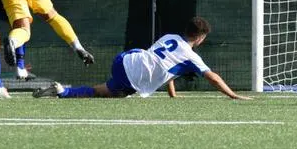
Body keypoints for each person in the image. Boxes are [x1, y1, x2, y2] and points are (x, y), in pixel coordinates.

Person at [33, 16, 251, 100]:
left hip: (124, 59)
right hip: (132, 77)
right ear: (201, 38)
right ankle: (64, 91)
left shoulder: (170, 37)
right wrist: (233, 95)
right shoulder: (191, 56)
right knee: (113, 94)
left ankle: (62, 91)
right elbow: (212, 77)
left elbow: (167, 69)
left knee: (102, 90)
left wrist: (172, 95)